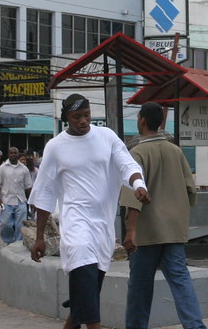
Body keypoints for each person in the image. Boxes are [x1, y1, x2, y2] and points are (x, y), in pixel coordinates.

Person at [29, 94, 150, 329]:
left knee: (87, 293)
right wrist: (39, 237)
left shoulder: (106, 137)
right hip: (75, 224)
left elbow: (126, 164)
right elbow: (44, 192)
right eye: (77, 117)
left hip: (102, 228)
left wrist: (138, 184)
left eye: (86, 115)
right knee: (85, 278)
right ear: (66, 118)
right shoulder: (55, 147)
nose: (83, 121)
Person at [121, 102, 207, 329]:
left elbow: (133, 198)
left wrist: (130, 231)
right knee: (180, 280)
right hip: (174, 231)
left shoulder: (137, 153)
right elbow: (191, 190)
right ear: (160, 122)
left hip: (146, 234)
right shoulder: (175, 151)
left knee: (139, 287)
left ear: (141, 121)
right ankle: (195, 325)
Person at [0, 146, 34, 245]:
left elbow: (28, 186)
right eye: (11, 153)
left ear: (18, 154)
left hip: (21, 200)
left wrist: (32, 201)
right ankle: (8, 241)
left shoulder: (24, 169)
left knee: (21, 224)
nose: (13, 155)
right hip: (6, 200)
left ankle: (18, 244)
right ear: (8, 154)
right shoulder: (2, 168)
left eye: (15, 153)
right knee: (5, 224)